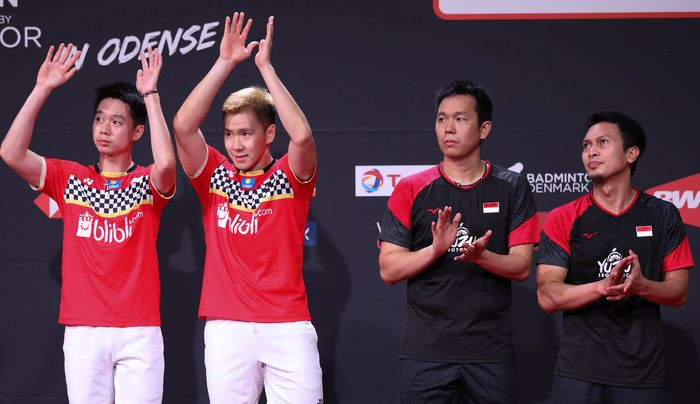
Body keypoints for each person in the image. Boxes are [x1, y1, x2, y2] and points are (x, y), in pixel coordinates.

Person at [0, 44, 176, 403]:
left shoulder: (146, 182)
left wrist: (151, 96)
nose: (104, 128)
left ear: (137, 132)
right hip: (84, 330)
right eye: (99, 119)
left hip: (139, 330)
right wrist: (42, 88)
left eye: (116, 121)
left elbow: (168, 166)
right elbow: (11, 152)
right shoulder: (71, 178)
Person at [172, 12, 322, 403]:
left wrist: (266, 68)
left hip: (288, 326)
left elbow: (303, 137)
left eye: (246, 133)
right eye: (229, 134)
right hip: (227, 328)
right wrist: (225, 62)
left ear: (270, 134)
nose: (235, 144)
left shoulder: (290, 176)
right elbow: (184, 126)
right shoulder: (215, 176)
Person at [377, 80, 540, 403]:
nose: (448, 128)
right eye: (441, 119)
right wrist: (435, 249)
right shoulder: (411, 188)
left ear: (484, 128)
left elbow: (522, 267)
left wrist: (483, 257)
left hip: (490, 354)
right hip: (425, 355)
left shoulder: (512, 187)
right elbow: (389, 269)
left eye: (460, 119)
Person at [536, 111, 694, 403]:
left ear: (631, 153)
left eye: (602, 142)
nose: (590, 151)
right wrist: (602, 286)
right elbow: (548, 296)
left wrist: (642, 286)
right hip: (577, 375)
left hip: (644, 377)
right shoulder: (563, 217)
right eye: (586, 145)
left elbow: (679, 291)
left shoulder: (662, 214)